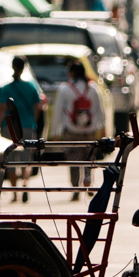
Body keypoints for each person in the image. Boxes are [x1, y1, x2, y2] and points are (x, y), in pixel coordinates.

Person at [47, 59, 108, 198]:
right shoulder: (93, 88)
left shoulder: (65, 89)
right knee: (89, 157)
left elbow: (57, 112)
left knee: (73, 159)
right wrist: (102, 127)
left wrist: (55, 132)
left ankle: (75, 187)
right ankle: (88, 178)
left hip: (71, 131)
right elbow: (99, 109)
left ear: (72, 72)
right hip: (90, 130)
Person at [0, 57, 45, 201]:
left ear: (13, 67)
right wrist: (34, 121)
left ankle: (14, 193)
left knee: (11, 160)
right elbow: (38, 107)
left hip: (10, 128)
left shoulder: (6, 89)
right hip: (28, 126)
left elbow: (1, 110)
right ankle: (25, 184)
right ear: (24, 68)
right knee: (26, 160)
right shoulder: (31, 87)